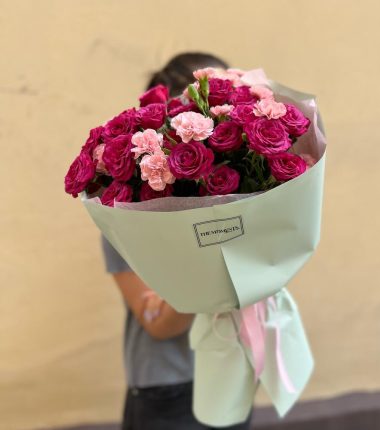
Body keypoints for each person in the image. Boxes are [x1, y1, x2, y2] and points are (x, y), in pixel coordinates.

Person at [101, 53, 253, 430]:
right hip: (170, 385)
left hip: (230, 367)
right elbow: (159, 325)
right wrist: (211, 269)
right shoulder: (127, 211)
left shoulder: (247, 194)